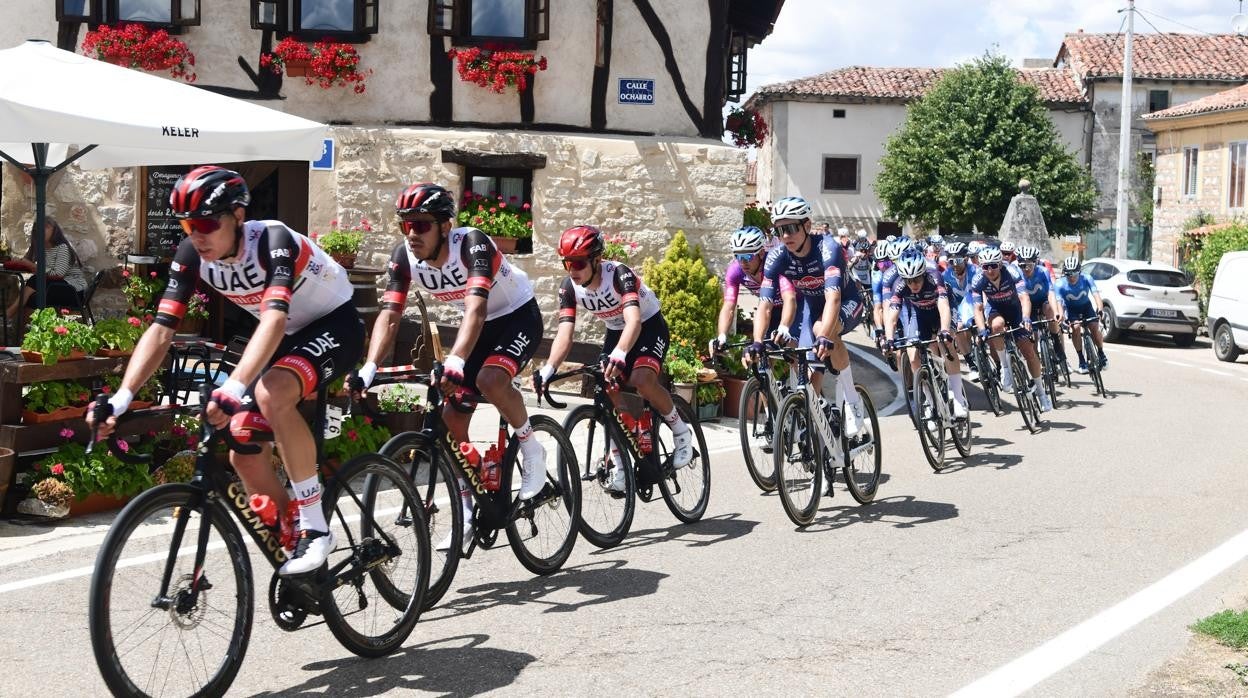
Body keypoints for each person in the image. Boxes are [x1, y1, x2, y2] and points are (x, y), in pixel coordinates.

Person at [86, 165, 363, 575]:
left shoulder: (273, 240)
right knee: (242, 446)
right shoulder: (192, 254)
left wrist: (233, 387)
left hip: (334, 324)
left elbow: (271, 319)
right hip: (287, 335)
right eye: (186, 224)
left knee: (271, 393)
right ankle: (294, 538)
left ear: (237, 217)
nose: (195, 234)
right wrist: (122, 399)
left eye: (205, 223)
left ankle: (316, 527)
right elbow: (162, 330)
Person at [355, 182, 547, 549]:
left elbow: (476, 308)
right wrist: (369, 367)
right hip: (480, 327)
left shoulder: (473, 244)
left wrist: (456, 361)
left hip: (516, 316)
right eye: (405, 225)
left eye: (421, 224)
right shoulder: (405, 257)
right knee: (451, 418)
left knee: (490, 378)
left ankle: (531, 447)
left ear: (445, 226)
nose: (411, 234)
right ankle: (468, 507)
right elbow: (390, 315)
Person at [538, 225, 695, 492]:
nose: (572, 270)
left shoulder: (619, 275)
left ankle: (681, 432)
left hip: (647, 326)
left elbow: (634, 321)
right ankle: (621, 464)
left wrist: (621, 355)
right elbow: (565, 333)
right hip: (615, 331)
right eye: (567, 263)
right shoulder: (570, 287)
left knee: (641, 379)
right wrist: (549, 369)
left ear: (596, 260)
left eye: (577, 263)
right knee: (605, 390)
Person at [751, 196, 867, 436]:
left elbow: (834, 299)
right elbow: (764, 304)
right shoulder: (777, 256)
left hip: (847, 301)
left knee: (824, 330)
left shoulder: (828, 248)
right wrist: (757, 341)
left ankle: (853, 402)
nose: (785, 235)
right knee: (807, 372)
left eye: (791, 228)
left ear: (806, 225)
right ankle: (819, 432)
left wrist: (825, 335)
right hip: (812, 310)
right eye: (780, 230)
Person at [883, 251, 969, 420]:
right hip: (920, 315)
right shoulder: (899, 285)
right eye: (909, 280)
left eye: (916, 279)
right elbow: (891, 316)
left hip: (941, 311)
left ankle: (959, 400)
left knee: (946, 344)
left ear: (923, 274)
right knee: (913, 354)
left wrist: (945, 330)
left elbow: (943, 307)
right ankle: (930, 401)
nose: (913, 284)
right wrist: (889, 339)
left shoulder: (934, 277)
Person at [971, 246, 1052, 412]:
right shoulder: (978, 279)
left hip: (1016, 310)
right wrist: (981, 329)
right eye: (986, 266)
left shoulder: (1013, 272)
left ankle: (1042, 393)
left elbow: (1024, 298)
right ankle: (1005, 368)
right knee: (996, 326)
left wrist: (1026, 318)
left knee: (1028, 351)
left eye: (994, 265)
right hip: (995, 310)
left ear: (1000, 264)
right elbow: (978, 309)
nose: (990, 270)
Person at [709, 226, 797, 356]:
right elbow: (729, 306)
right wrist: (722, 336)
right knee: (762, 351)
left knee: (791, 348)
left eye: (748, 256)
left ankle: (801, 371)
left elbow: (790, 298)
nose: (743, 262)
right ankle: (765, 374)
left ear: (761, 253)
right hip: (771, 309)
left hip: (796, 306)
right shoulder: (735, 271)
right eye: (738, 256)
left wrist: (784, 327)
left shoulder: (773, 264)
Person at [4, 218, 88, 322]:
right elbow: (32, 266)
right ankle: (25, 333)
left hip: (73, 291)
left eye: (46, 227)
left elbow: (58, 275)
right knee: (33, 297)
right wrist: (20, 262)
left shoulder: (63, 248)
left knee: (35, 280)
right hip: (54, 287)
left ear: (55, 230)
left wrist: (33, 266)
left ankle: (9, 314)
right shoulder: (41, 249)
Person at [1054, 255, 1107, 373]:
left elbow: (1096, 296)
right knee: (1076, 328)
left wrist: (1100, 309)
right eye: (1068, 274)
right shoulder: (1059, 284)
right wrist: (1061, 317)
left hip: (1086, 307)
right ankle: (1081, 360)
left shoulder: (1087, 278)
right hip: (1071, 310)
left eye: (1075, 274)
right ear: (1064, 273)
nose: (1072, 277)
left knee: (1094, 327)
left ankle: (1101, 353)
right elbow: (1059, 303)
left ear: (1080, 272)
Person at [1017, 245, 1067, 369]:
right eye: (1023, 265)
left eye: (1030, 264)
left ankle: (1055, 340)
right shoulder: (1017, 274)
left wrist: (1056, 312)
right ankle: (1038, 364)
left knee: (1050, 310)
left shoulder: (1043, 271)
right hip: (1028, 306)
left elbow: (1051, 293)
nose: (1026, 268)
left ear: (1036, 262)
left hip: (1043, 300)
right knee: (1033, 336)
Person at [941, 241, 979, 379]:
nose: (954, 265)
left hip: (974, 303)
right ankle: (971, 363)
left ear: (966, 259)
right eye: (951, 261)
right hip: (956, 305)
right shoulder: (946, 275)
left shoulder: (976, 271)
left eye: (957, 260)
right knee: (959, 327)